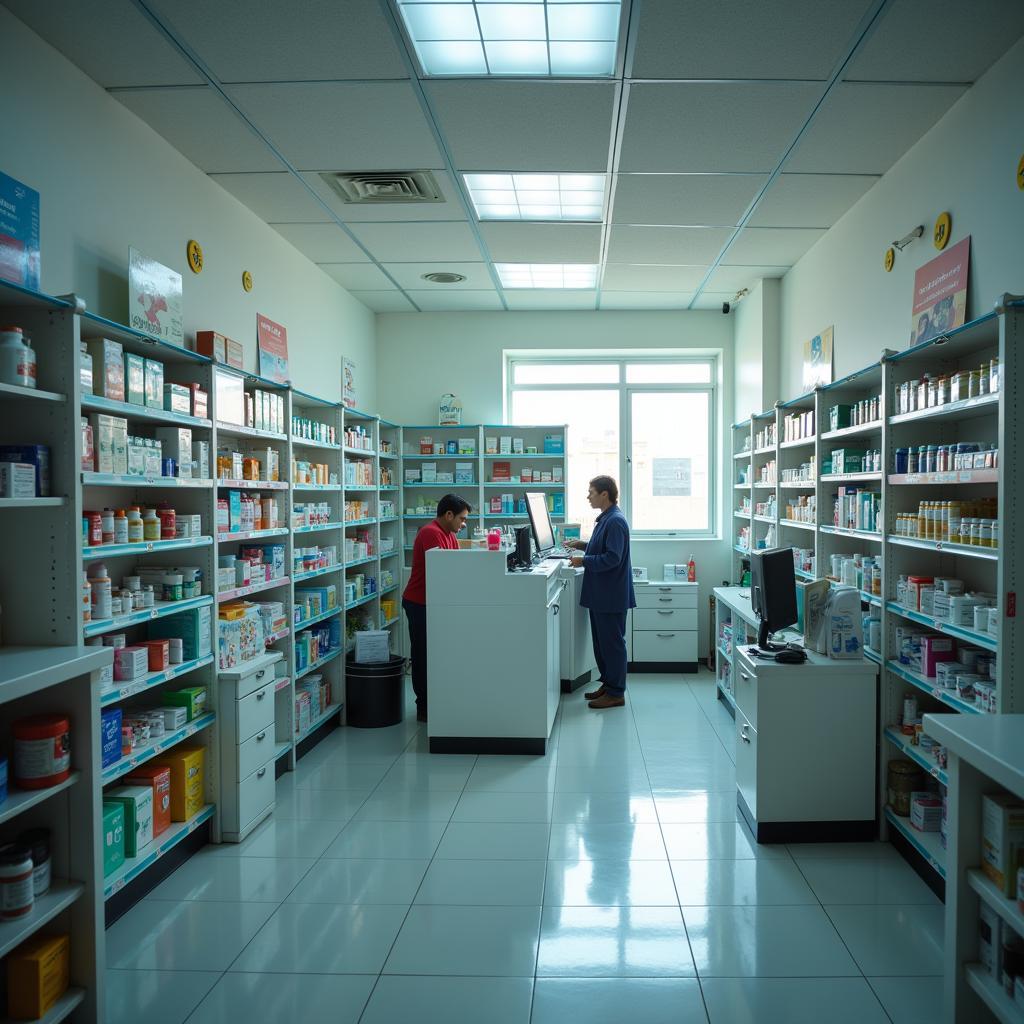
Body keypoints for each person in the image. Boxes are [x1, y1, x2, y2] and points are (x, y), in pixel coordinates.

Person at [566, 475, 635, 709]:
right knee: (602, 644)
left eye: (591, 492)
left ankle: (616, 693)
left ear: (605, 494)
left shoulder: (615, 521)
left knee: (613, 645)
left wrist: (583, 560)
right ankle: (608, 684)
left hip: (610, 595)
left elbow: (612, 558)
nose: (588, 496)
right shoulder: (606, 519)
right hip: (601, 595)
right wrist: (582, 545)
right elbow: (603, 547)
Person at [402, 493, 471, 722]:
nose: (463, 524)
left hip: (433, 601)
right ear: (448, 514)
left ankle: (434, 701)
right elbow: (443, 574)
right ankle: (423, 707)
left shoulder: (448, 534)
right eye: (461, 519)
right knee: (422, 656)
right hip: (419, 602)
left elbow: (455, 567)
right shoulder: (431, 533)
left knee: (434, 654)